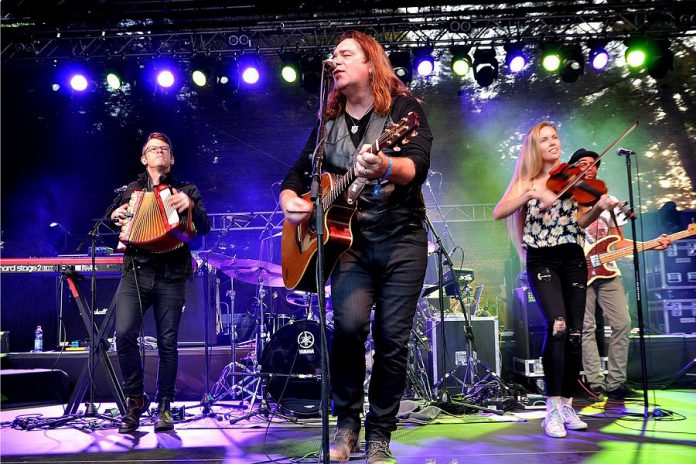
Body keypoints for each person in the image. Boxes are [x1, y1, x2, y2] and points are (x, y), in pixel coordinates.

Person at [280, 31, 432, 464]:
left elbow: (416, 165)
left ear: (371, 64)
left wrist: (386, 164)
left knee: (392, 340)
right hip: (351, 246)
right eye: (333, 55)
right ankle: (348, 422)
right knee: (347, 329)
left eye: (346, 54)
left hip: (402, 238)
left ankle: (380, 433)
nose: (335, 60)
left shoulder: (405, 110)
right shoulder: (328, 124)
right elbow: (295, 176)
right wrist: (294, 204)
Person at [493, 122, 619, 438]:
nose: (552, 143)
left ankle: (566, 404)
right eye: (544, 139)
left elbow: (581, 222)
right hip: (542, 259)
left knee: (576, 333)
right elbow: (499, 211)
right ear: (535, 147)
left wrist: (599, 207)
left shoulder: (572, 178)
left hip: (574, 258)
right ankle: (550, 409)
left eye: (555, 137)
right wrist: (532, 193)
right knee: (559, 326)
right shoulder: (529, 180)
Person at [110, 132, 210, 433]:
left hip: (172, 272)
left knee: (168, 343)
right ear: (144, 158)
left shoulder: (186, 189)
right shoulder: (131, 190)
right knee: (124, 334)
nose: (159, 153)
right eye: (153, 149)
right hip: (136, 271)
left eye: (165, 149)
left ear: (172, 158)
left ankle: (164, 405)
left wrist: (189, 206)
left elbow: (203, 227)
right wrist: (117, 214)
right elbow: (122, 220)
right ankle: (135, 400)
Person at [568, 149, 671, 401]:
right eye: (582, 164)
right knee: (587, 327)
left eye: (593, 164)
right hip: (579, 270)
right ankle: (595, 382)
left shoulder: (609, 202)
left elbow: (617, 243)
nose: (589, 168)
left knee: (623, 323)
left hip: (607, 270)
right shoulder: (566, 199)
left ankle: (616, 383)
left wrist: (648, 243)